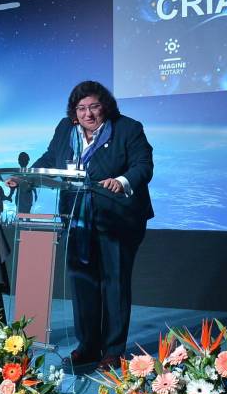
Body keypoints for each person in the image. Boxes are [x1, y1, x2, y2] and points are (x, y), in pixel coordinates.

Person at [17, 80, 153, 371]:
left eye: (94, 107)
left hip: (117, 218)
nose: (88, 114)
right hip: (77, 218)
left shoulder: (128, 128)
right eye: (81, 108)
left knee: (114, 284)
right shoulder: (65, 129)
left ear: (105, 107)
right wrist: (26, 176)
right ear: (74, 111)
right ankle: (88, 346)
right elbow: (51, 158)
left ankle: (113, 351)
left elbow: (143, 166)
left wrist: (122, 181)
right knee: (82, 284)